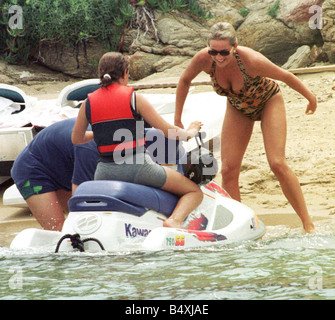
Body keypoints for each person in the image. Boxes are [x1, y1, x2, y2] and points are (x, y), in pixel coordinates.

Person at [174, 22, 317, 234]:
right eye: (214, 51)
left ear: (235, 47)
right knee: (229, 170)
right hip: (238, 107)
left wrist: (311, 98)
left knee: (277, 163)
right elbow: (184, 80)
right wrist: (177, 119)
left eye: (224, 52)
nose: (219, 57)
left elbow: (286, 76)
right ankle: (242, 227)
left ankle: (308, 224)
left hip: (268, 101)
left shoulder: (251, 60)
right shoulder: (204, 59)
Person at [72, 52, 203, 229]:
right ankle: (175, 221)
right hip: (139, 168)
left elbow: (77, 139)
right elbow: (169, 132)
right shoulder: (135, 98)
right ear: (125, 73)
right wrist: (191, 131)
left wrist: (103, 132)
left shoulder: (88, 103)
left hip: (103, 172)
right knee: (194, 191)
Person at [11, 118, 100, 231]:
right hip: (32, 170)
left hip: (63, 164)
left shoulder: (121, 144)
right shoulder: (89, 148)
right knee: (59, 230)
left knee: (83, 226)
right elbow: (80, 199)